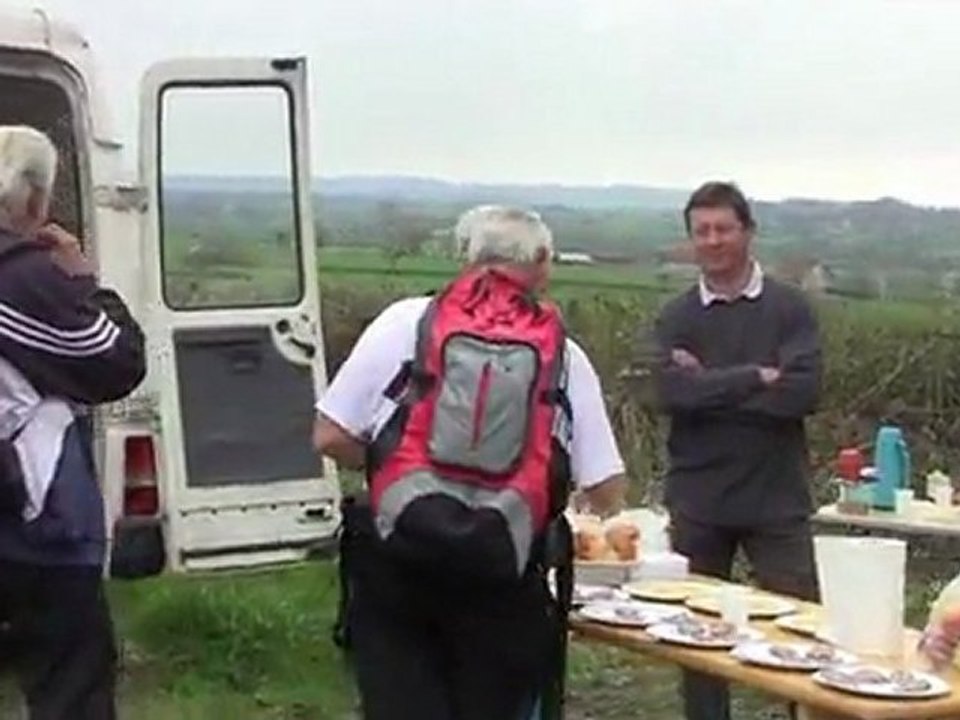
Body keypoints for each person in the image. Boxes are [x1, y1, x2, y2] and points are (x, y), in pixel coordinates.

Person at [314, 205, 627, 720]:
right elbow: (607, 489)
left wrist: (393, 469)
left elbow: (329, 434)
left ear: (467, 257)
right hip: (501, 576)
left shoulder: (402, 324)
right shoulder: (564, 355)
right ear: (543, 263)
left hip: (398, 568)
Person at [652, 181, 822, 720]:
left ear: (747, 232)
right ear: (690, 240)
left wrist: (708, 387)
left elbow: (801, 393)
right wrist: (754, 377)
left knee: (802, 632)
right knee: (700, 642)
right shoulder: (675, 316)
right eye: (701, 231)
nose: (713, 240)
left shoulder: (790, 308)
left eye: (724, 228)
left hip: (777, 498)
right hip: (699, 498)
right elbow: (667, 393)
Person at [0, 125, 146, 719]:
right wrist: (88, 286)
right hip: (37, 534)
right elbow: (117, 362)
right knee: (69, 689)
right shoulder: (28, 281)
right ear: (34, 200)